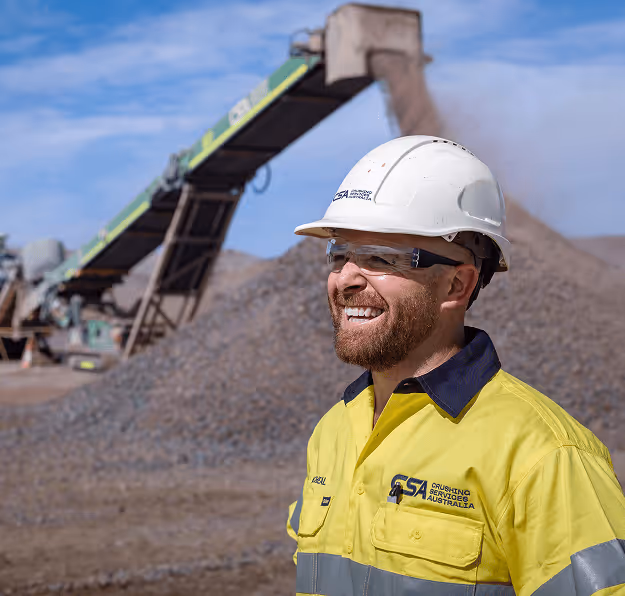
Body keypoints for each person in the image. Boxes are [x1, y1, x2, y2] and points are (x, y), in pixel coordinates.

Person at [286, 136, 625, 595]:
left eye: (380, 258)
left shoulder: (544, 455)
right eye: (340, 255)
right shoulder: (334, 431)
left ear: (456, 285)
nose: (345, 278)